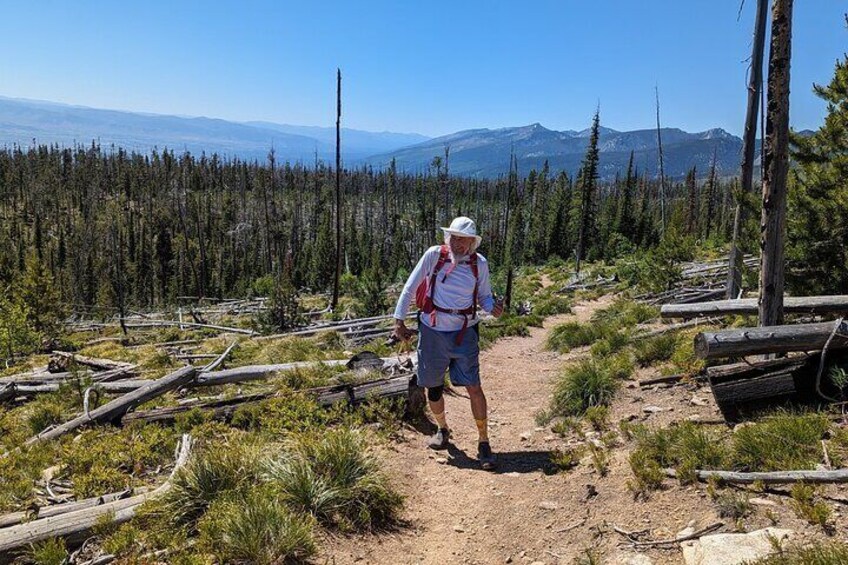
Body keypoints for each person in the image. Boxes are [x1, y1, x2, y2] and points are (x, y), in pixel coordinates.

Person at [392, 216, 504, 470]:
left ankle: (483, 440)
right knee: (433, 385)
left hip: (464, 332)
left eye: (463, 240)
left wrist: (492, 309)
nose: (457, 244)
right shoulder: (434, 255)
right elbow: (410, 287)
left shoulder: (479, 264)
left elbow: (485, 297)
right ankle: (442, 429)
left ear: (472, 243)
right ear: (448, 238)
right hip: (432, 330)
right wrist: (398, 320)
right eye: (454, 238)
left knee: (473, 386)